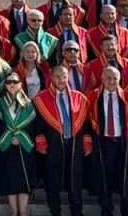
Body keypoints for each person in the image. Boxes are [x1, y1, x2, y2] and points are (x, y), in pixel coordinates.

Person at [33, 66, 89, 216]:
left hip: (74, 144)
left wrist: (87, 141)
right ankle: (55, 211)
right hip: (52, 144)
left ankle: (77, 212)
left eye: (64, 77)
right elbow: (37, 124)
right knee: (52, 180)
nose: (61, 80)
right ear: (51, 77)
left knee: (75, 181)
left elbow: (86, 123)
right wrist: (40, 140)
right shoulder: (40, 98)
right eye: (57, 77)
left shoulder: (80, 98)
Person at [87, 66, 128, 216]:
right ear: (102, 79)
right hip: (103, 143)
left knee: (125, 177)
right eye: (108, 77)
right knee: (104, 176)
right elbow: (87, 122)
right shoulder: (93, 97)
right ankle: (106, 209)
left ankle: (126, 209)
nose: (111, 81)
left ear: (120, 79)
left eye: (115, 78)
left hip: (123, 143)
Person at [0, 72, 36, 216]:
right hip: (6, 144)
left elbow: (33, 126)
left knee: (24, 179)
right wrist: (9, 137)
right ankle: (13, 209)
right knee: (9, 177)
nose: (12, 84)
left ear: (20, 84)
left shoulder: (28, 103)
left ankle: (23, 210)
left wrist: (20, 138)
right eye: (9, 82)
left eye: (15, 82)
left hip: (24, 146)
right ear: (5, 85)